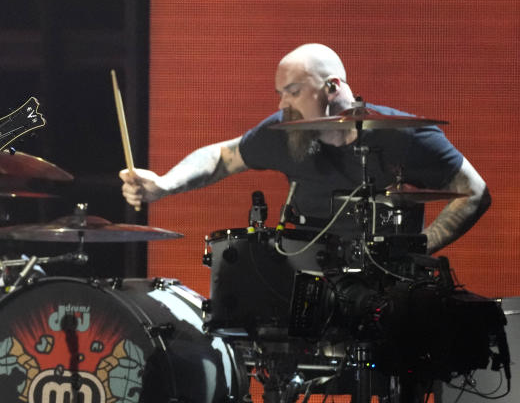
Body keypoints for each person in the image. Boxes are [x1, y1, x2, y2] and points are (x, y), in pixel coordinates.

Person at [120, 43, 489, 253]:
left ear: (332, 87)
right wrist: (165, 184)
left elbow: (474, 192)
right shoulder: (284, 131)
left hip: (384, 284)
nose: (283, 105)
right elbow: (222, 156)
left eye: (293, 92)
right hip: (306, 272)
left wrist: (420, 248)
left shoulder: (403, 136)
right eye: (280, 94)